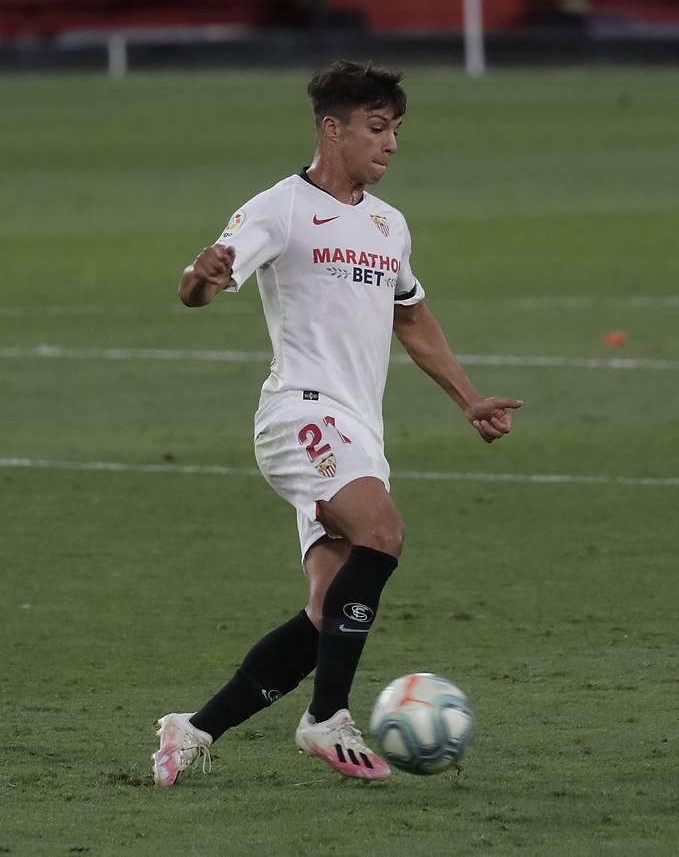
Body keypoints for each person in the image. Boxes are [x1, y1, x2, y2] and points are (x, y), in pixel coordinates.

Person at [152, 60, 523, 786]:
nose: (390, 145)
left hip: (358, 430)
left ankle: (192, 729)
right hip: (300, 412)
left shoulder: (388, 225)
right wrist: (201, 276)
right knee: (383, 532)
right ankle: (327, 718)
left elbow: (410, 317)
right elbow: (203, 284)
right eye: (377, 129)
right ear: (333, 128)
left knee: (328, 613)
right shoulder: (280, 208)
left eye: (396, 131)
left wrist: (467, 396)